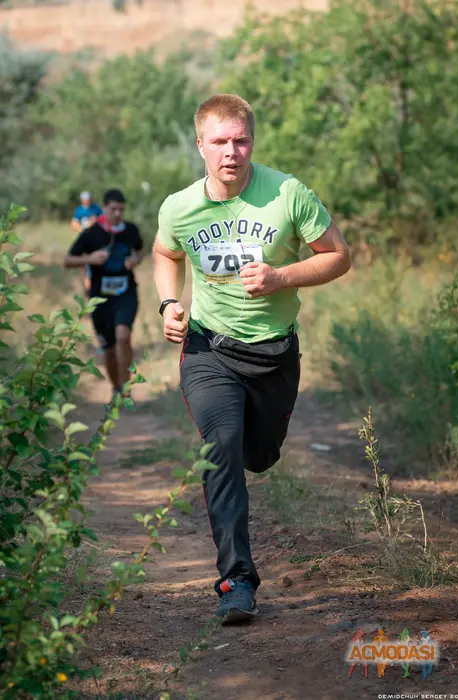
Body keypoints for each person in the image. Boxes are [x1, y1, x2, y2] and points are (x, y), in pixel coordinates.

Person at [153, 94, 351, 624]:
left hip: (274, 355)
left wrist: (282, 276)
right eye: (219, 142)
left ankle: (250, 448)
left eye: (241, 140)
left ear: (252, 143)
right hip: (208, 350)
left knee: (257, 455)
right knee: (222, 448)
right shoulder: (179, 206)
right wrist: (170, 303)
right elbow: (165, 252)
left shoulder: (287, 194)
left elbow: (339, 255)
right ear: (200, 145)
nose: (231, 152)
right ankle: (236, 580)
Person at [65, 189, 144, 399]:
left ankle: (125, 389)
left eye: (121, 209)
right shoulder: (92, 233)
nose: (118, 213)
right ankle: (116, 387)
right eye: (113, 209)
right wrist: (89, 259)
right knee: (108, 348)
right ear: (104, 208)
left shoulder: (131, 230)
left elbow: (139, 250)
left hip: (126, 293)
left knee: (123, 335)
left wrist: (135, 260)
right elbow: (67, 260)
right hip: (100, 298)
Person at [70, 191, 103, 295]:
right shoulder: (79, 211)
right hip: (84, 241)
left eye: (88, 199)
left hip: (95, 241)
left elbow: (103, 220)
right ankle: (86, 286)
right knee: (83, 264)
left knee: (93, 263)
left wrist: (95, 222)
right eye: (84, 200)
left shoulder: (96, 209)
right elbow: (73, 224)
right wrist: (84, 230)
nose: (86, 201)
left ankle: (91, 286)